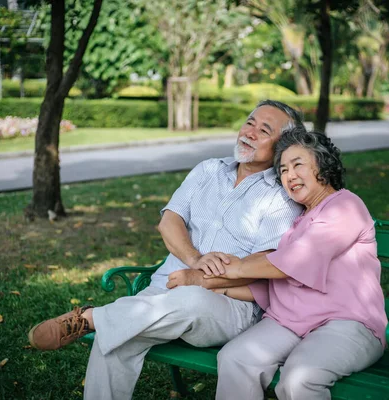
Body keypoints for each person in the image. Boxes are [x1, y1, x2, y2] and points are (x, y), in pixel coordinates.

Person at [27, 100, 304, 400]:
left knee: (189, 299)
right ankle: (104, 325)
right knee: (116, 340)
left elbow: (266, 265)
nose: (250, 132)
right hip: (162, 291)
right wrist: (195, 260)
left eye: (264, 130)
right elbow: (169, 221)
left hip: (228, 307)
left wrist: (202, 279)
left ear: (282, 147)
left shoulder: (280, 197)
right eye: (249, 122)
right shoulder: (208, 170)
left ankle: (92, 318)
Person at [205, 127, 388, 400]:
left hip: (348, 324)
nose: (289, 175)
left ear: (323, 165)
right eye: (282, 170)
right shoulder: (297, 223)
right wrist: (218, 285)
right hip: (291, 323)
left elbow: (292, 263)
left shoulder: (345, 206)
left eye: (297, 165)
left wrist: (236, 267)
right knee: (235, 358)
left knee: (300, 379)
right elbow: (277, 284)